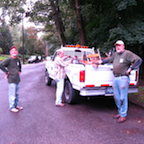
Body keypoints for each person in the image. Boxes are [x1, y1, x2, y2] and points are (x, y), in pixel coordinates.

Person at [100, 40, 142, 123]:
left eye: (119, 46)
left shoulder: (127, 54)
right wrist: (100, 62)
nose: (118, 47)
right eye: (116, 46)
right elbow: (109, 60)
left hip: (123, 78)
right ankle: (120, 112)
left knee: (123, 97)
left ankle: (123, 115)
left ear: (123, 46)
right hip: (115, 78)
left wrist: (131, 69)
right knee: (116, 97)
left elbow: (139, 60)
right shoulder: (115, 55)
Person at [0, 46, 23, 113]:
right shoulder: (9, 60)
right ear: (10, 52)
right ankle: (12, 107)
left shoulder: (18, 60)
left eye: (15, 51)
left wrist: (19, 71)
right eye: (12, 51)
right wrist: (6, 71)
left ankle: (16, 106)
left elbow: (20, 67)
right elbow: (0, 65)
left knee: (17, 94)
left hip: (17, 79)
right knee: (12, 94)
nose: (14, 52)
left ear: (17, 52)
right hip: (11, 79)